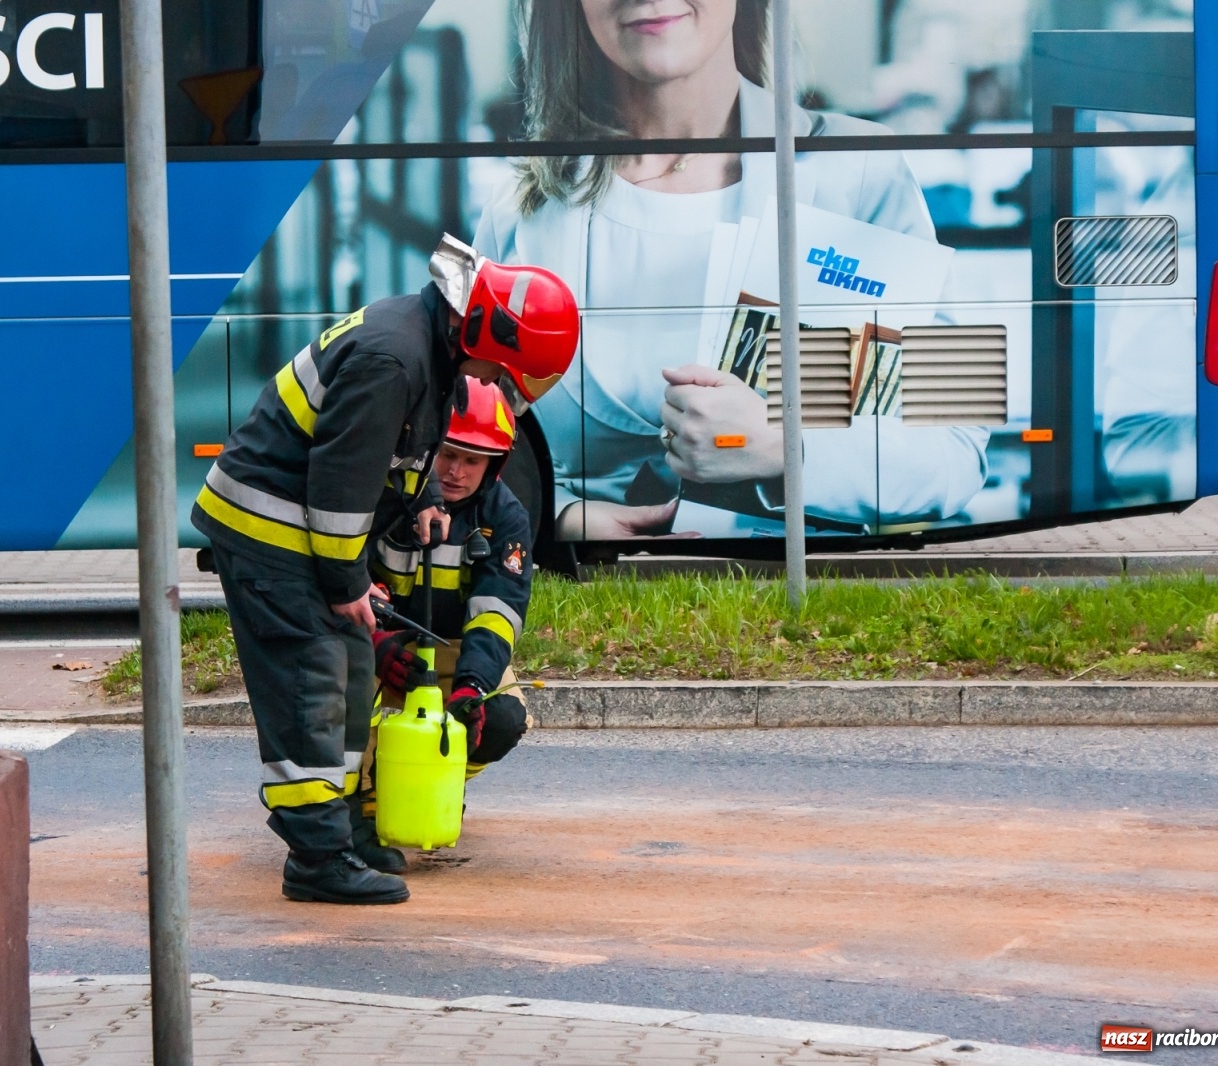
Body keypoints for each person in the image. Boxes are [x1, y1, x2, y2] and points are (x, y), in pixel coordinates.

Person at [473, 0, 989, 540]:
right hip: (583, 608)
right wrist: (555, 519)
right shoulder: (517, 208)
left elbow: (957, 448)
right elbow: (463, 446)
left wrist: (783, 446)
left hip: (802, 605)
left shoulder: (862, 174)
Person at [192, 234, 578, 905]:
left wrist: (423, 494)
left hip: (291, 528)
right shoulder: (397, 359)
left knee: (348, 667)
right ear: (489, 335)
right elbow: (342, 484)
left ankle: (340, 834)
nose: (492, 387)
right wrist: (347, 587)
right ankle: (316, 860)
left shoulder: (418, 344)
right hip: (269, 531)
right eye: (502, 374)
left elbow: (385, 453)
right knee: (318, 675)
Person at [358, 381, 534, 866]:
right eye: (448, 454)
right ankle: (359, 804)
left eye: (472, 460)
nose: (456, 472)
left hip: (457, 653)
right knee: (341, 707)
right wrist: (375, 645)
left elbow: (497, 614)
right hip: (378, 648)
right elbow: (339, 584)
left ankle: (440, 777)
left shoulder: (506, 520)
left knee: (501, 720)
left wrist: (472, 687)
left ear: (493, 465)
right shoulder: (381, 497)